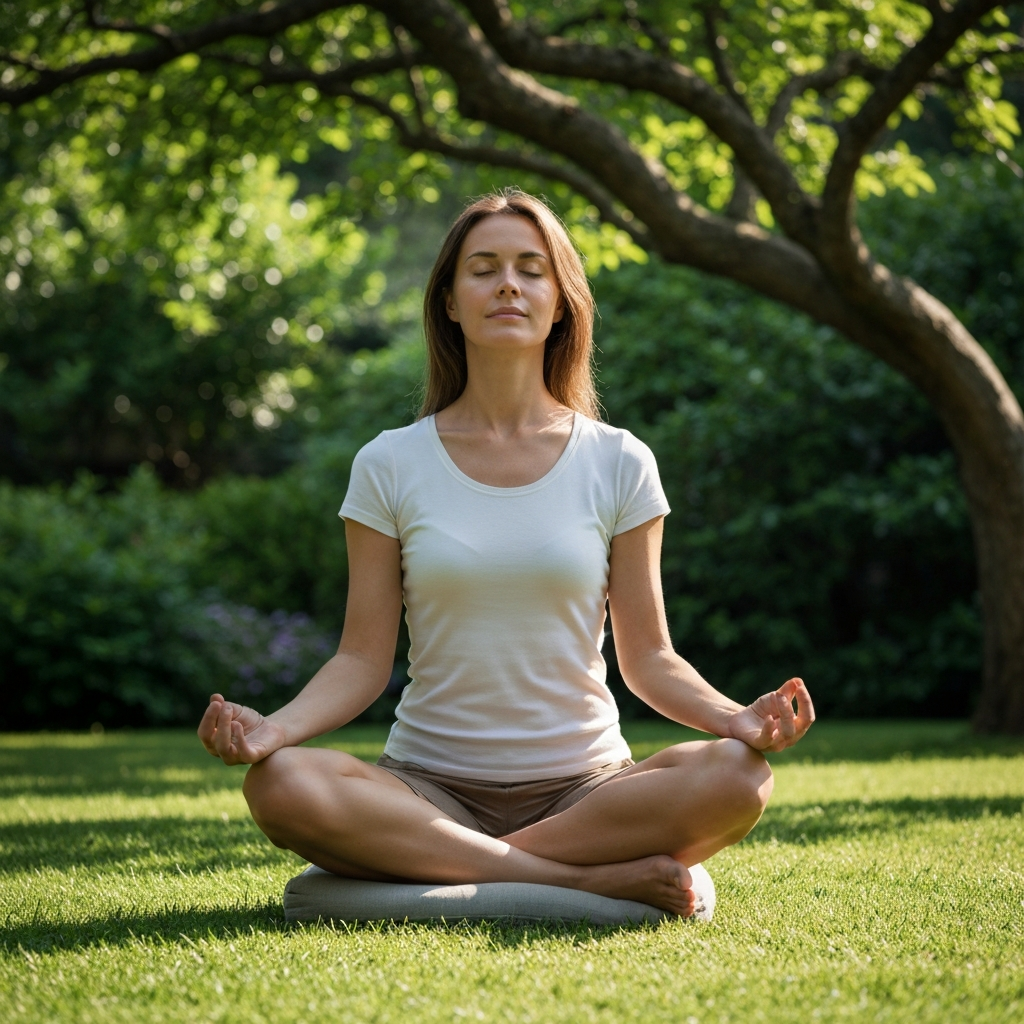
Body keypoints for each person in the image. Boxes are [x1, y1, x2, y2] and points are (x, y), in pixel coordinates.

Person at [198, 189, 814, 917]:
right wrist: (274, 730)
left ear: (561, 302)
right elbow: (361, 660)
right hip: (427, 787)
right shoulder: (389, 463)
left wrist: (736, 719)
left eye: (531, 269)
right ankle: (580, 881)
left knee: (740, 776)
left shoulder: (620, 461)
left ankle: (452, 864)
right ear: (450, 302)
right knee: (280, 783)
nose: (508, 286)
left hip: (587, 791)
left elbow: (649, 658)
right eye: (483, 269)